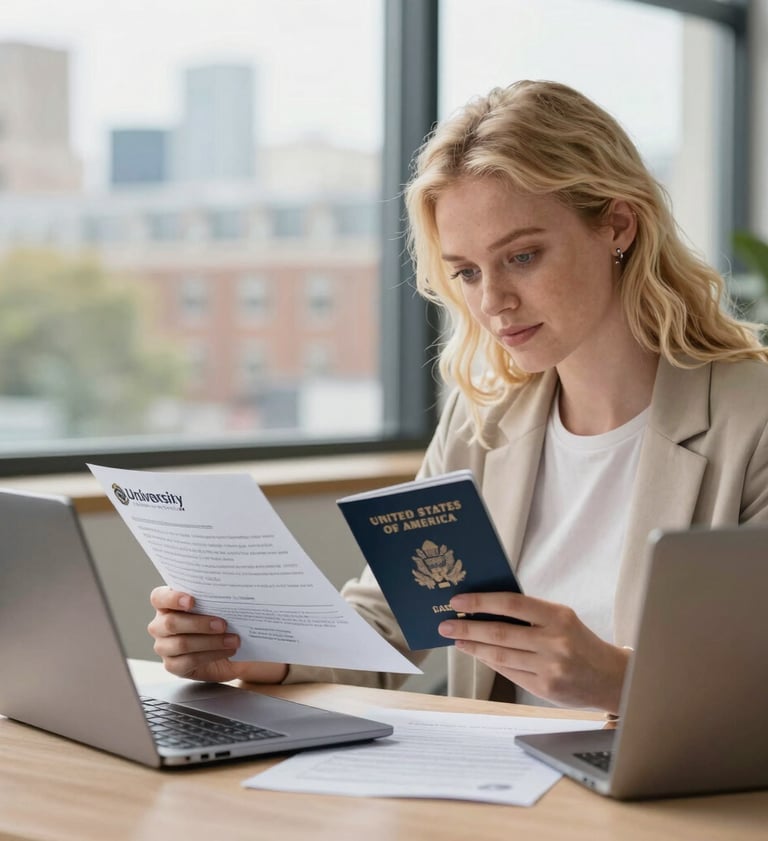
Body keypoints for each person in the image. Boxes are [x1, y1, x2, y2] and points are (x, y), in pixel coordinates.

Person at [148, 80, 768, 715]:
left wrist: (617, 679)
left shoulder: (754, 424)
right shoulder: (483, 420)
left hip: (675, 806)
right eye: (467, 272)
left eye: (522, 256)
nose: (492, 301)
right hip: (504, 793)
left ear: (617, 224)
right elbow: (391, 623)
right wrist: (259, 653)